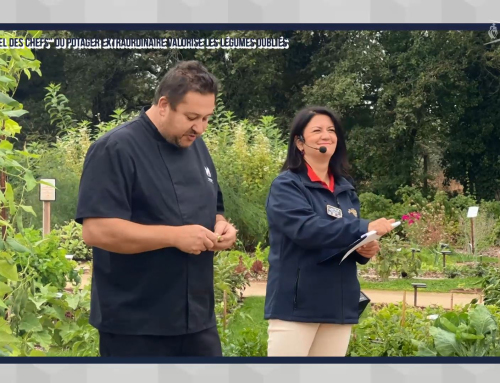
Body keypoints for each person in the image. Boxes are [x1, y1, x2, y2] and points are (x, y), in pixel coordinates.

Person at [75, 60, 237, 357]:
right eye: (192, 117)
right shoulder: (115, 148)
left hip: (197, 320)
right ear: (164, 104)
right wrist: (174, 236)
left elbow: (214, 207)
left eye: (207, 118)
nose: (200, 128)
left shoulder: (196, 145)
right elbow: (96, 230)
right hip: (136, 325)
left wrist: (222, 227)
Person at [264, 106, 395, 357]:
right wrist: (363, 227)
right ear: (299, 143)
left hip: (339, 304)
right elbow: (307, 229)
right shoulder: (287, 185)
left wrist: (365, 248)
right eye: (317, 130)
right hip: (297, 306)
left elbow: (345, 239)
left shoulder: (345, 189)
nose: (326, 135)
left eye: (331, 130)